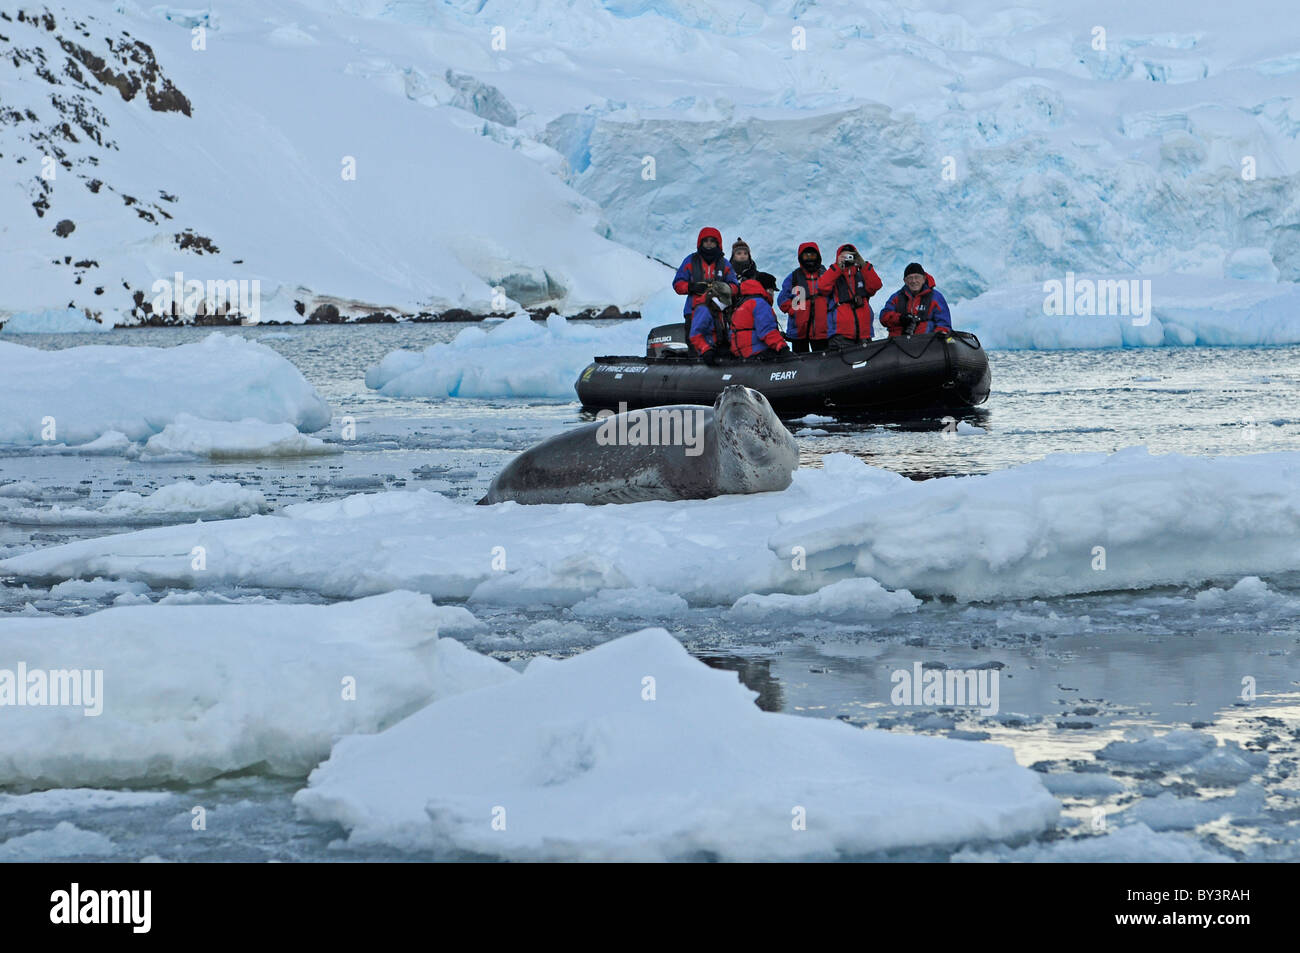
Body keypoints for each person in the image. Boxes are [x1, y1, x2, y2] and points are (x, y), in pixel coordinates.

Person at [673, 227, 740, 342]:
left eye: (712, 241)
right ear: (701, 242)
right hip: (693, 312)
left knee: (718, 347)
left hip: (718, 314)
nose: (709, 243)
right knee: (694, 346)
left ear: (717, 243)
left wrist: (724, 288)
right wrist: (691, 287)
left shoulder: (724, 264)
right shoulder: (690, 261)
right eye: (706, 240)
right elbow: (678, 284)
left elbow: (735, 286)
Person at [816, 243, 883, 345]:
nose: (848, 258)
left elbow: (876, 285)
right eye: (844, 256)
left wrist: (863, 264)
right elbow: (822, 287)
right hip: (840, 334)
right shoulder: (833, 274)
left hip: (864, 333)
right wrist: (838, 266)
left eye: (851, 256)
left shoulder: (862, 274)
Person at [777, 242, 832, 352]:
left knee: (823, 363)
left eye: (812, 255)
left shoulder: (826, 275)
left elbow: (835, 297)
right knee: (800, 363)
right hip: (798, 331)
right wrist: (794, 310)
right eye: (806, 256)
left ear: (818, 256)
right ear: (800, 257)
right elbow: (782, 299)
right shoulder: (793, 277)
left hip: (822, 330)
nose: (809, 259)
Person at [879, 263, 953, 337]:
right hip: (898, 343)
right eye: (910, 278)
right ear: (905, 281)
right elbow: (884, 317)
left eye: (917, 277)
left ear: (924, 279)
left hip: (926, 343)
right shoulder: (896, 297)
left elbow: (944, 324)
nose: (914, 281)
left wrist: (937, 337)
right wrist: (901, 318)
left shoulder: (935, 297)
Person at [728, 273, 790, 360]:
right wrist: (782, 347)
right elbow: (767, 330)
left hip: (741, 353)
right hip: (756, 352)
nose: (773, 295)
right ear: (767, 290)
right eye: (772, 291)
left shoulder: (743, 302)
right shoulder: (760, 304)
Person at [689, 281, 734, 364]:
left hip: (721, 348)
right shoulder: (704, 310)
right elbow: (695, 335)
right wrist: (705, 349)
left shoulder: (720, 311)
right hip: (710, 350)